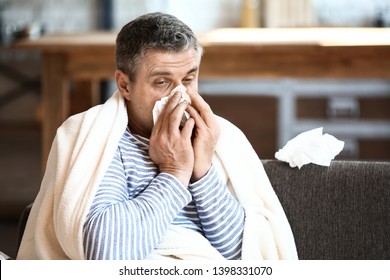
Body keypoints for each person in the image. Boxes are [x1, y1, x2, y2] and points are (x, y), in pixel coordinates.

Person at [17, 12, 297, 260]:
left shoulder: (218, 139)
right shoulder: (99, 139)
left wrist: (202, 172)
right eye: (162, 82)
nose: (179, 95)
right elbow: (107, 256)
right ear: (125, 85)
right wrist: (175, 173)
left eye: (188, 79)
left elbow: (245, 254)